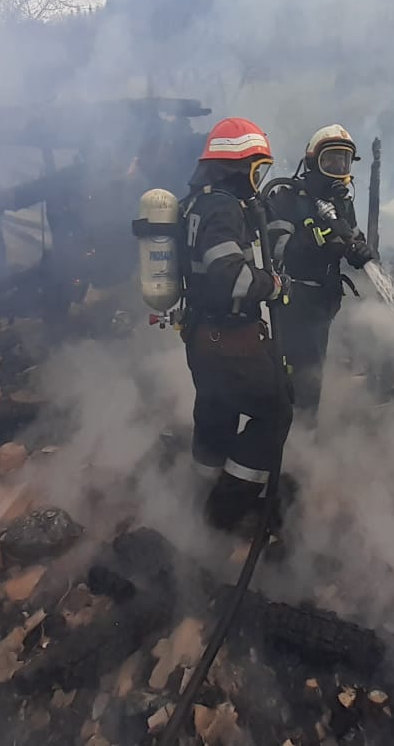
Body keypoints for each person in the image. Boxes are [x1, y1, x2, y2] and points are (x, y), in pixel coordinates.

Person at [179, 117, 294, 533]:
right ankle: (224, 511)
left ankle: (199, 492)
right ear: (237, 167)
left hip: (201, 336)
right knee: (276, 412)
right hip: (231, 340)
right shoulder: (224, 208)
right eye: (256, 170)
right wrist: (272, 284)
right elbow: (231, 276)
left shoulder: (196, 203)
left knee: (217, 410)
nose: (257, 180)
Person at [267, 124, 376, 417]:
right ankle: (291, 431)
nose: (338, 169)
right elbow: (277, 252)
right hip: (293, 301)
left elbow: (351, 238)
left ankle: (305, 430)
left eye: (343, 161)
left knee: (314, 372)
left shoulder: (342, 204)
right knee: (295, 374)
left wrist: (359, 251)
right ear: (313, 162)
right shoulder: (286, 199)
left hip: (324, 302)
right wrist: (320, 238)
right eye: (331, 161)